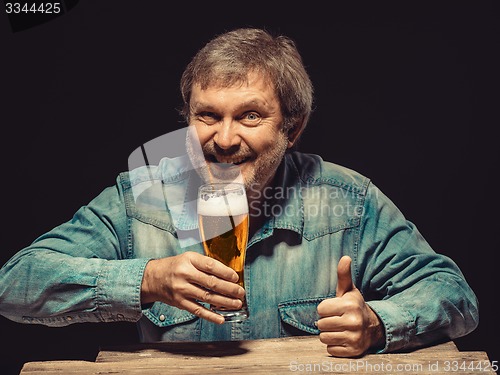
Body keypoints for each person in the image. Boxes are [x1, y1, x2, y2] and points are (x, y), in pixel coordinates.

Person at [0, 27, 478, 357]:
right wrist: (145, 279)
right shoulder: (140, 197)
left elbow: (455, 296)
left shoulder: (348, 200)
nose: (224, 139)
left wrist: (377, 323)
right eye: (207, 115)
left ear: (293, 127)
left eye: (250, 116)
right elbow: (15, 284)